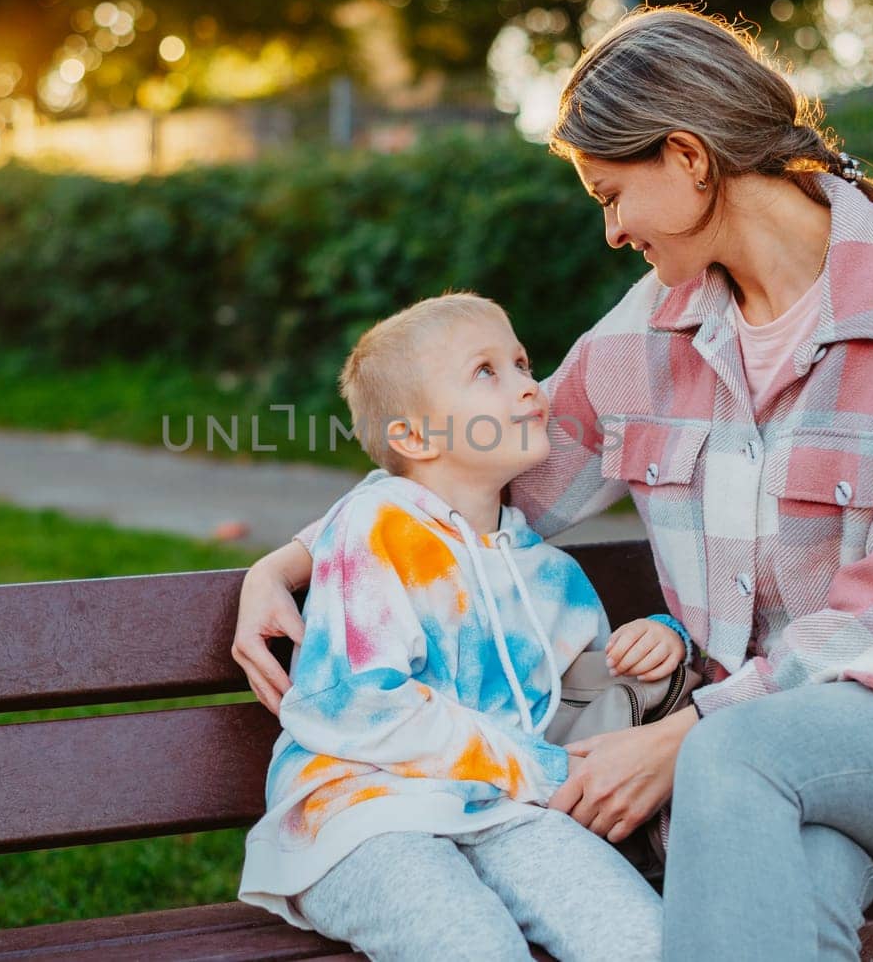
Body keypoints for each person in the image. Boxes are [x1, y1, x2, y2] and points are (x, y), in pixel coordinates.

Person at [234, 6, 873, 959]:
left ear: (690, 159)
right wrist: (293, 558)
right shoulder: (655, 329)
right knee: (776, 905)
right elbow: (476, 466)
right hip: (762, 776)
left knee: (733, 763)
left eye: (613, 195)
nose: (611, 232)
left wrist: (688, 729)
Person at [238, 293, 675, 961]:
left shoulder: (548, 572)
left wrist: (662, 635)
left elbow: (584, 699)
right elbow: (355, 702)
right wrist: (537, 770)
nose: (529, 385)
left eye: (523, 363)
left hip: (502, 810)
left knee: (648, 942)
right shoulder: (376, 526)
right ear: (414, 438)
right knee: (473, 947)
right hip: (362, 816)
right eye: (486, 372)